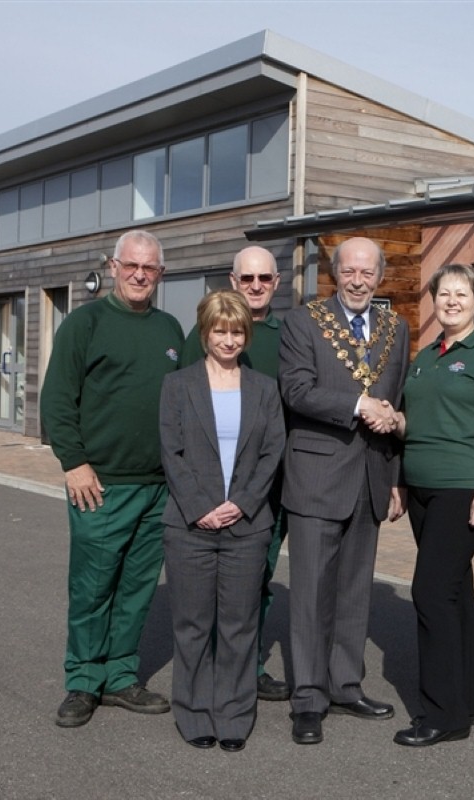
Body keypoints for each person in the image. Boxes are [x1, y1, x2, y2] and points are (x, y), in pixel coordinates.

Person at [40, 229, 183, 728]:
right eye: (131, 266)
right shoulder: (85, 324)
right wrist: (73, 462)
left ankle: (121, 677)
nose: (140, 275)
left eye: (150, 268)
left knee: (137, 587)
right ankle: (83, 682)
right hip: (100, 484)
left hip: (158, 486)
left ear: (160, 274)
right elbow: (57, 398)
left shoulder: (170, 330)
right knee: (92, 587)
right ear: (114, 266)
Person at [278, 236, 409, 745]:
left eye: (367, 272)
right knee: (310, 590)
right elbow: (296, 389)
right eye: (349, 271)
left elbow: (396, 399)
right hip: (317, 477)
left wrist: (394, 477)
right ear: (335, 274)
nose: (358, 280)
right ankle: (308, 698)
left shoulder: (396, 330)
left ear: (380, 277)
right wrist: (358, 406)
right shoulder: (302, 323)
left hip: (371, 477)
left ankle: (345, 684)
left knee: (355, 590)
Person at [390, 264, 474, 747]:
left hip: (464, 487)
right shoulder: (426, 358)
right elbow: (416, 425)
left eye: (461, 294)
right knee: (455, 591)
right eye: (444, 293)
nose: (451, 301)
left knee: (430, 591)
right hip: (422, 488)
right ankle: (470, 699)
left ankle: (443, 716)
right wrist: (393, 426)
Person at [160, 290, 285, 751]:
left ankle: (234, 713)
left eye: (236, 332)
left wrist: (244, 502)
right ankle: (193, 712)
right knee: (192, 625)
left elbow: (274, 451)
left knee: (239, 625)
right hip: (191, 525)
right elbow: (171, 453)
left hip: (246, 527)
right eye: (220, 331)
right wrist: (201, 507)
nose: (229, 340)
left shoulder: (264, 389)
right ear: (205, 332)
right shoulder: (178, 386)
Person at [181, 245, 291, 702]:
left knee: (256, 581)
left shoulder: (291, 334)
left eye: (264, 279)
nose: (256, 287)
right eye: (247, 279)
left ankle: (250, 665)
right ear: (233, 280)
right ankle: (208, 670)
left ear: (277, 283)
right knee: (210, 590)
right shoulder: (203, 335)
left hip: (269, 486)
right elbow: (184, 409)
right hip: (212, 488)